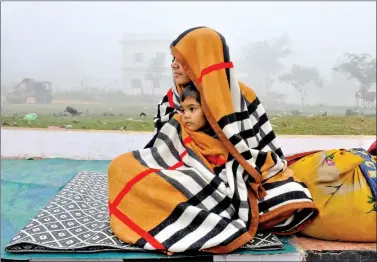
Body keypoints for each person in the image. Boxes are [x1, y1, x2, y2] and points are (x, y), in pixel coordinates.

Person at [107, 26, 318, 254]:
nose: (173, 65)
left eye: (181, 59)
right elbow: (161, 149)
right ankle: (179, 218)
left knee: (191, 186)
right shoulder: (171, 99)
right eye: (173, 59)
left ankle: (191, 221)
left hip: (224, 173)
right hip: (183, 168)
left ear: (200, 60)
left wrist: (228, 164)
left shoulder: (239, 96)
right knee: (120, 167)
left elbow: (259, 148)